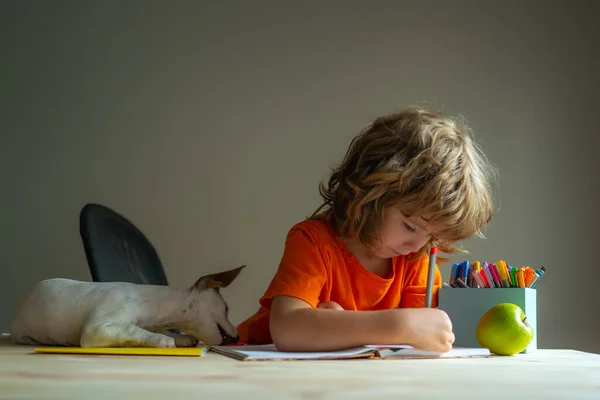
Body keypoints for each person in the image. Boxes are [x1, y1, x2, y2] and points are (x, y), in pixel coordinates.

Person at [237, 107, 497, 353]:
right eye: (409, 226)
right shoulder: (313, 241)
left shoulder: (416, 258)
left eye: (430, 235)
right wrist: (399, 326)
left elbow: (418, 344)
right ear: (370, 196)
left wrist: (344, 329)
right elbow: (287, 329)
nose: (417, 245)